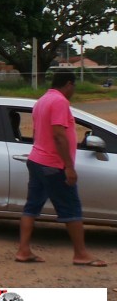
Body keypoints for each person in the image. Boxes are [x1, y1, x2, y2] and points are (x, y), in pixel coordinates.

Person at [15, 71, 107, 267]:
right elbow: (58, 135)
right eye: (73, 87)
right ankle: (81, 254)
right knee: (71, 208)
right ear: (68, 84)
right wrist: (68, 167)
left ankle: (23, 251)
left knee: (31, 207)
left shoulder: (42, 101)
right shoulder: (59, 102)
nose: (73, 91)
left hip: (37, 160)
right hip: (53, 164)